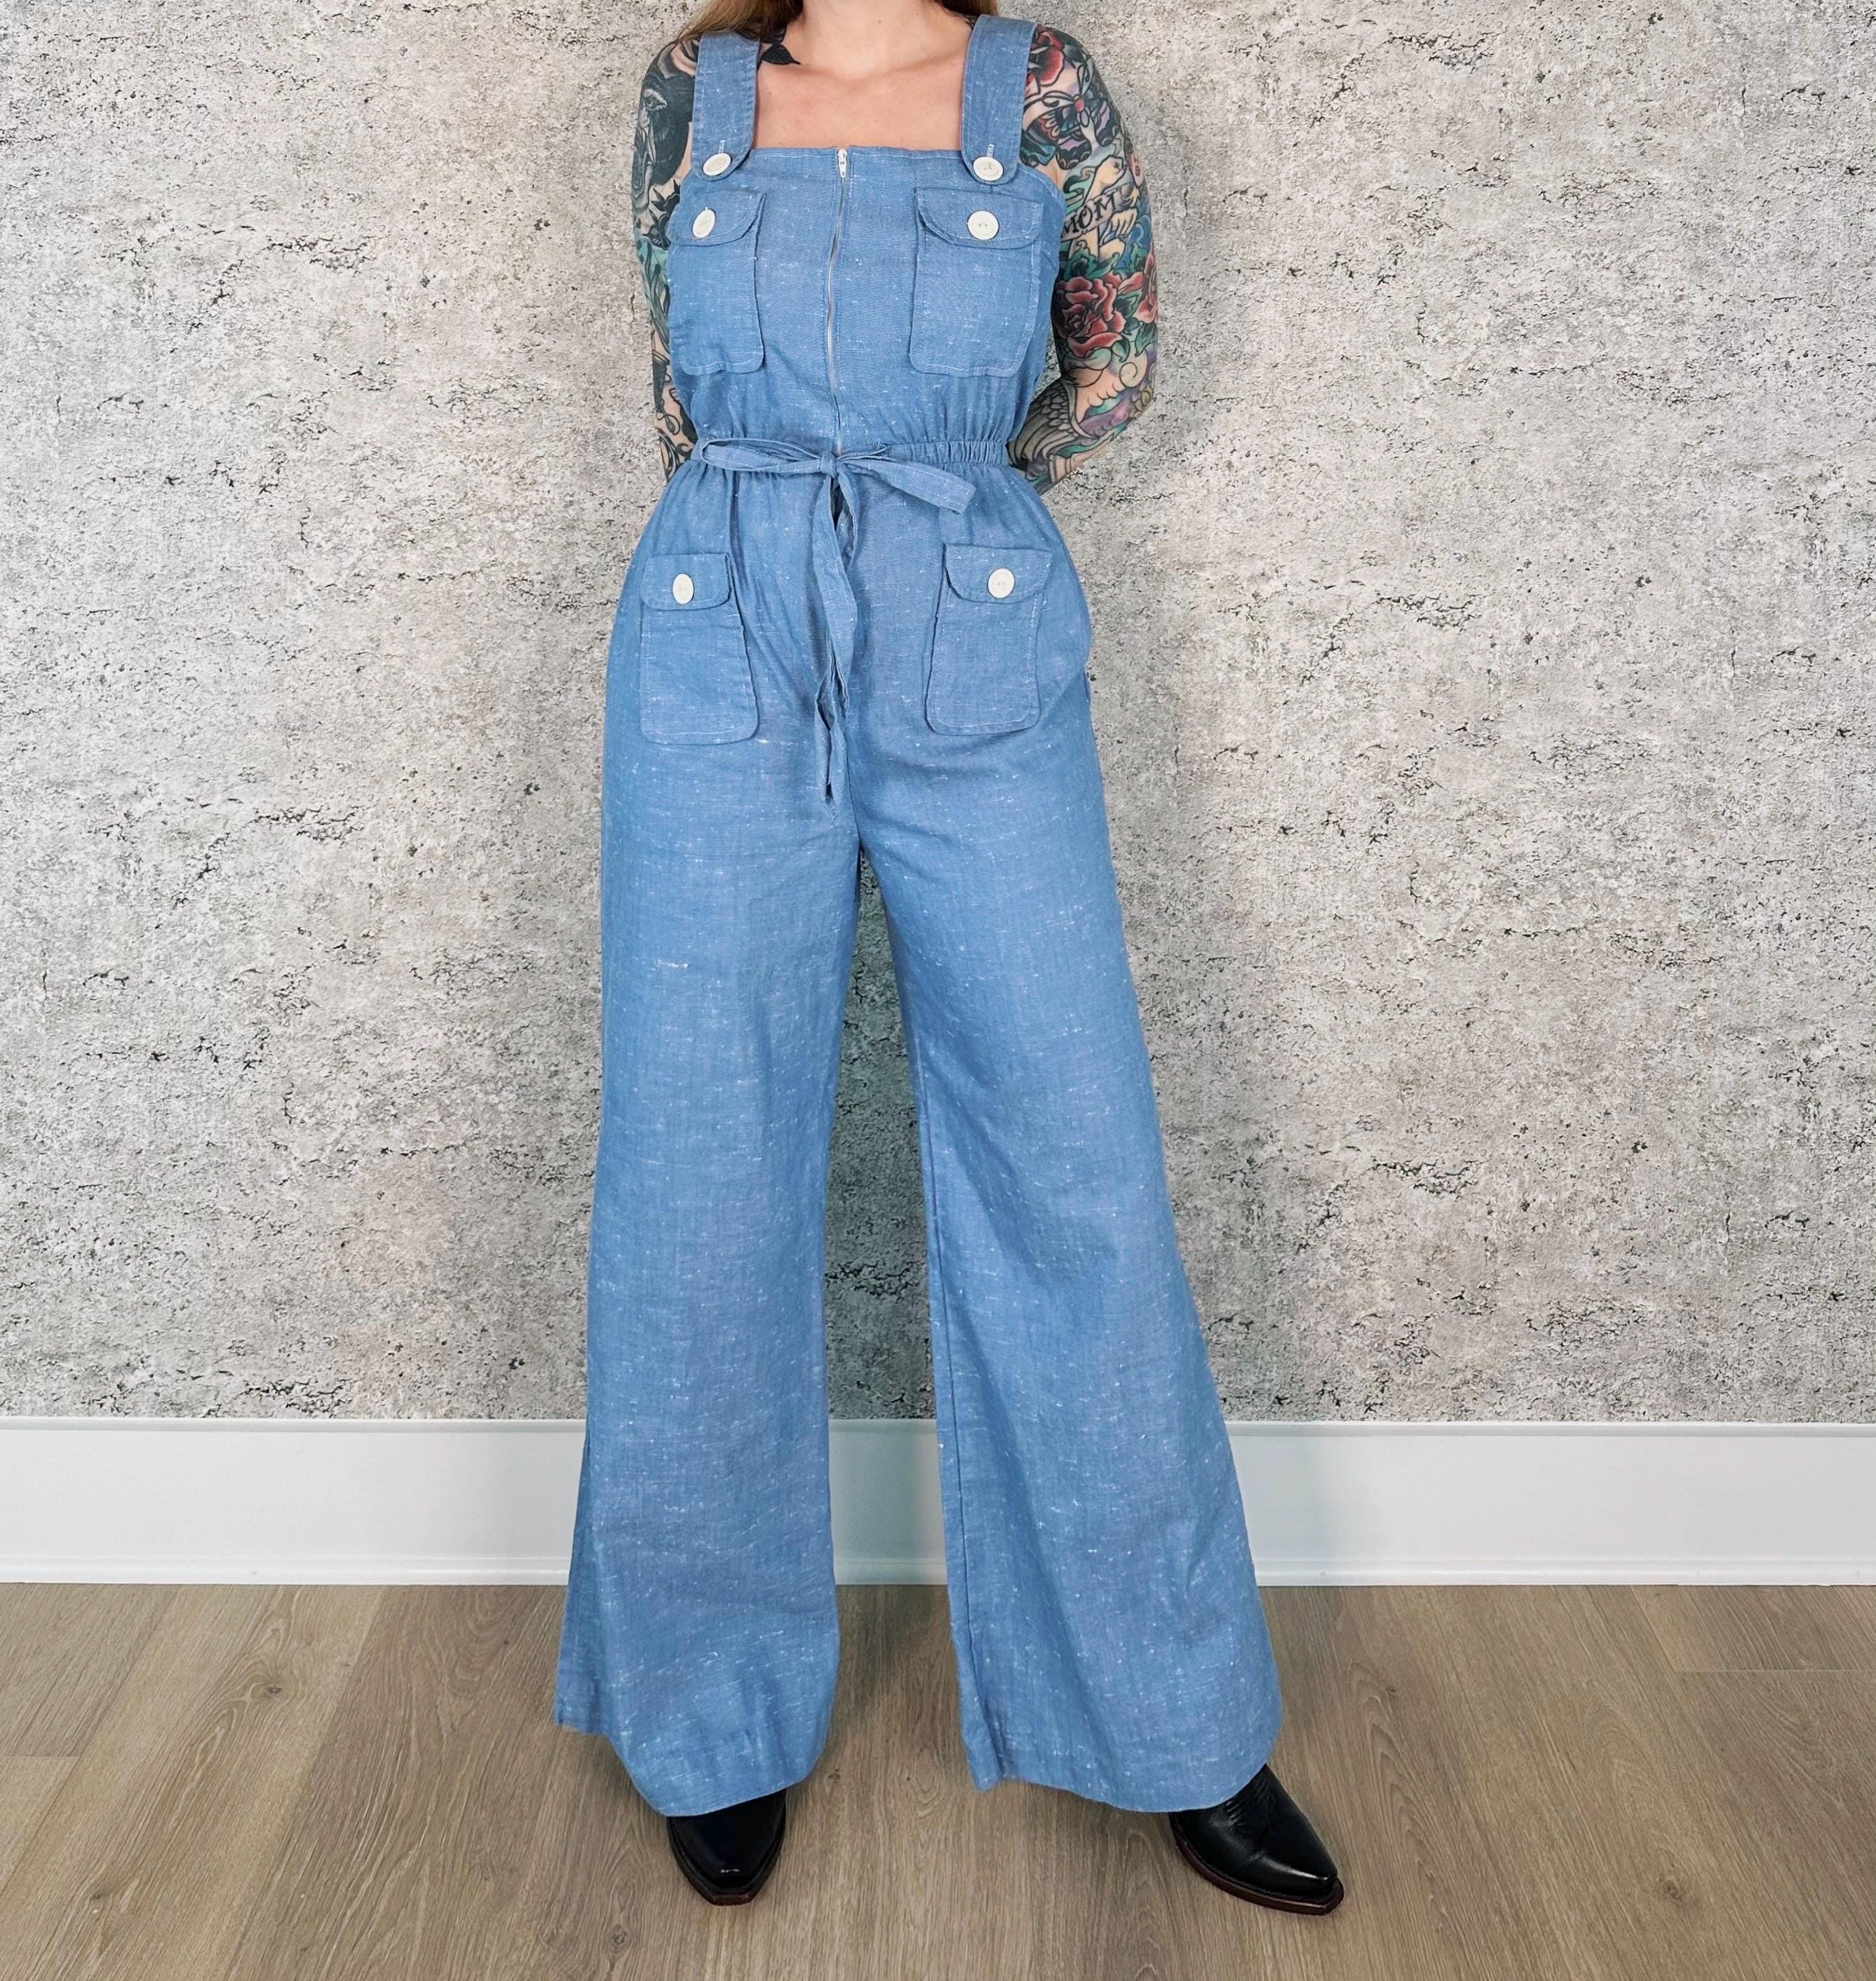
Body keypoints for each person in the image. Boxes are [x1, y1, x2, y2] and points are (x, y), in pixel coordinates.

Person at [553, 0, 1344, 1914]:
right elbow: (678, 383)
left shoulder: (1042, 91)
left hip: (970, 627)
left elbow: (1113, 370)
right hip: (717, 632)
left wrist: (936, 492)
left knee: (1074, 1165)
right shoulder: (692, 97)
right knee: (697, 1179)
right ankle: (711, 1717)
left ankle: (1174, 1719)